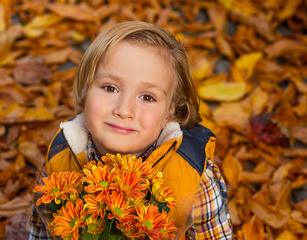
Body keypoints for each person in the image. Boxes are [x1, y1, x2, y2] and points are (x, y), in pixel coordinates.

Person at [29, 21, 233, 239]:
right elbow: (42, 228)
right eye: (110, 88)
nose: (124, 110)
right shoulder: (62, 154)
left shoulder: (193, 175)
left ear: (169, 112)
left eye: (147, 97)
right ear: (84, 91)